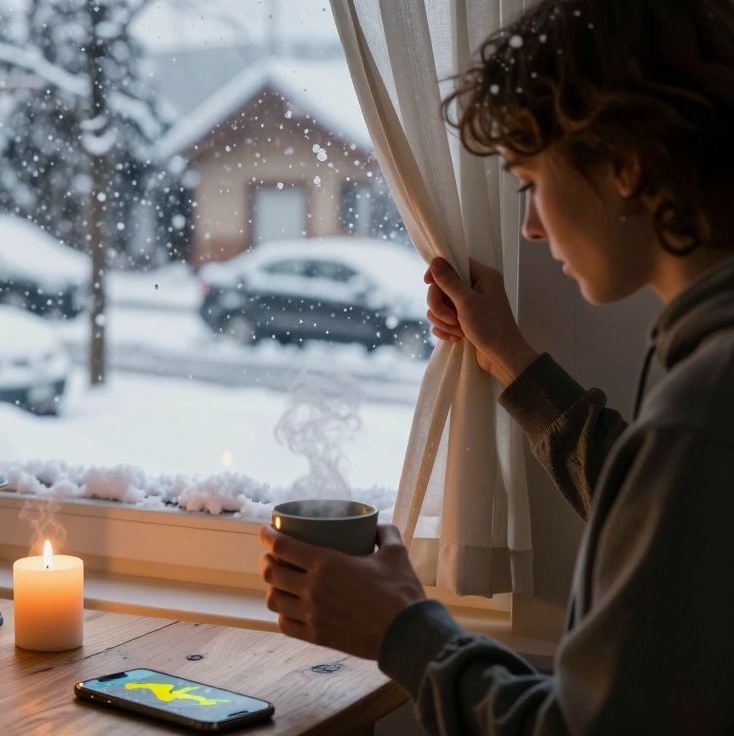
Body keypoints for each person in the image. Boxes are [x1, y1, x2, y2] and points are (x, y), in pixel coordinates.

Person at [257, 1, 734, 733]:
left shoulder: (701, 410)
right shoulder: (701, 377)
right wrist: (507, 356)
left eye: (530, 182)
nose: (531, 228)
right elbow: (654, 501)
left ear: (625, 165)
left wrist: (405, 629)